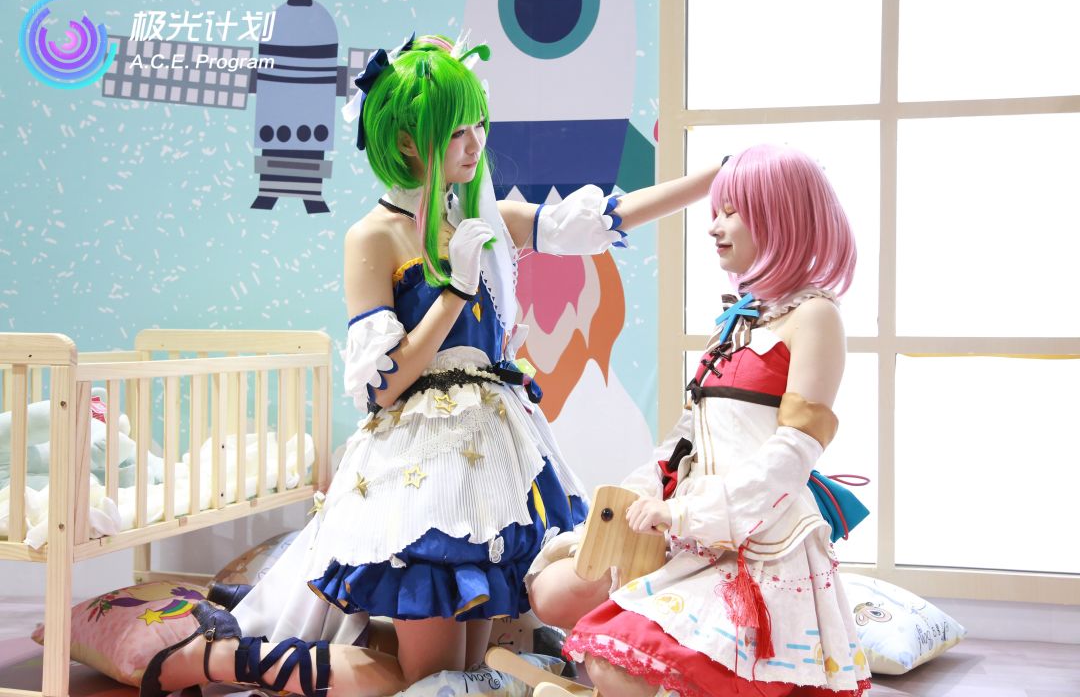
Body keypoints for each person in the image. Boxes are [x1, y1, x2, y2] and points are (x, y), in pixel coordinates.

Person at [140, 34, 724, 697]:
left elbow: (596, 222)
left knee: (461, 676)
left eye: (478, 125)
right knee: (426, 681)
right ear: (408, 141)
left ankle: (219, 658)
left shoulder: (479, 218)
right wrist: (454, 290)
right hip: (423, 471)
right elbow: (385, 385)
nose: (475, 144)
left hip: (492, 465)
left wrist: (717, 178)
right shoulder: (374, 236)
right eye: (456, 132)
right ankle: (217, 659)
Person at [526, 144, 872, 697]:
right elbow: (687, 437)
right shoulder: (739, 319)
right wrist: (641, 494)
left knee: (618, 664)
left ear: (782, 217)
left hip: (760, 545)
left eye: (732, 212)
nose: (714, 226)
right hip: (695, 531)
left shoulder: (816, 316)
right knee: (559, 596)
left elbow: (792, 455)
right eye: (716, 211)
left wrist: (686, 513)